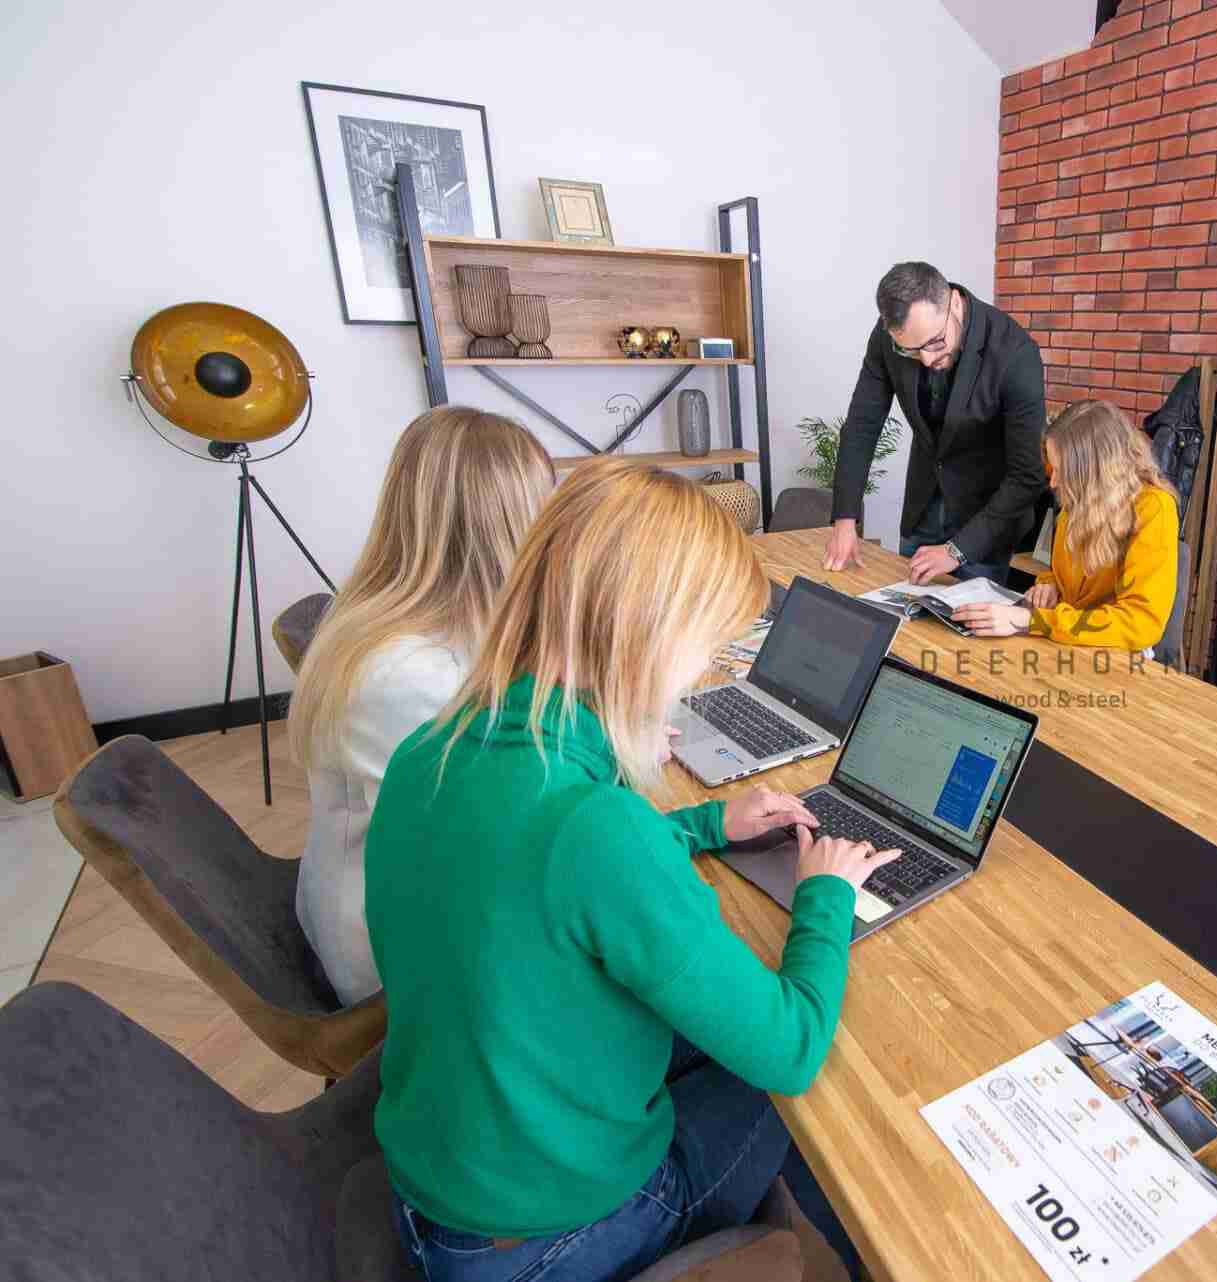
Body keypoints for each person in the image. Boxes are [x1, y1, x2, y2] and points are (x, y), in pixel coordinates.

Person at [365, 460, 899, 1282]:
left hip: (448, 1185)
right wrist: (825, 895)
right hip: (551, 1236)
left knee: (720, 1024)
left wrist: (707, 821)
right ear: (650, 636)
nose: (700, 675)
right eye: (706, 648)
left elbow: (544, 871)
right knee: (823, 1073)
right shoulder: (595, 829)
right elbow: (788, 1050)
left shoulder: (431, 748)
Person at [288, 405, 552, 1006]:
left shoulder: (398, 620)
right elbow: (508, 844)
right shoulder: (406, 676)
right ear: (502, 525)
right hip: (409, 962)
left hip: (395, 893)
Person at [822, 261, 1047, 585]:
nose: (926, 359)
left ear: (954, 302)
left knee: (963, 631)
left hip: (984, 525)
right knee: (904, 619)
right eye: (910, 350)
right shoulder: (892, 335)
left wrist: (956, 550)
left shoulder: (1015, 354)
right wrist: (845, 520)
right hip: (922, 510)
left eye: (935, 343)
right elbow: (862, 424)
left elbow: (1028, 475)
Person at [951, 400, 1179, 654]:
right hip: (1064, 640)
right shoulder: (1081, 497)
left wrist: (1032, 621)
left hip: (1115, 655)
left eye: (1063, 471)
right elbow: (1066, 574)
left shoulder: (1154, 508)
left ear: (1096, 470)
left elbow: (1140, 624)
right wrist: (1050, 585)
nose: (1054, 482)